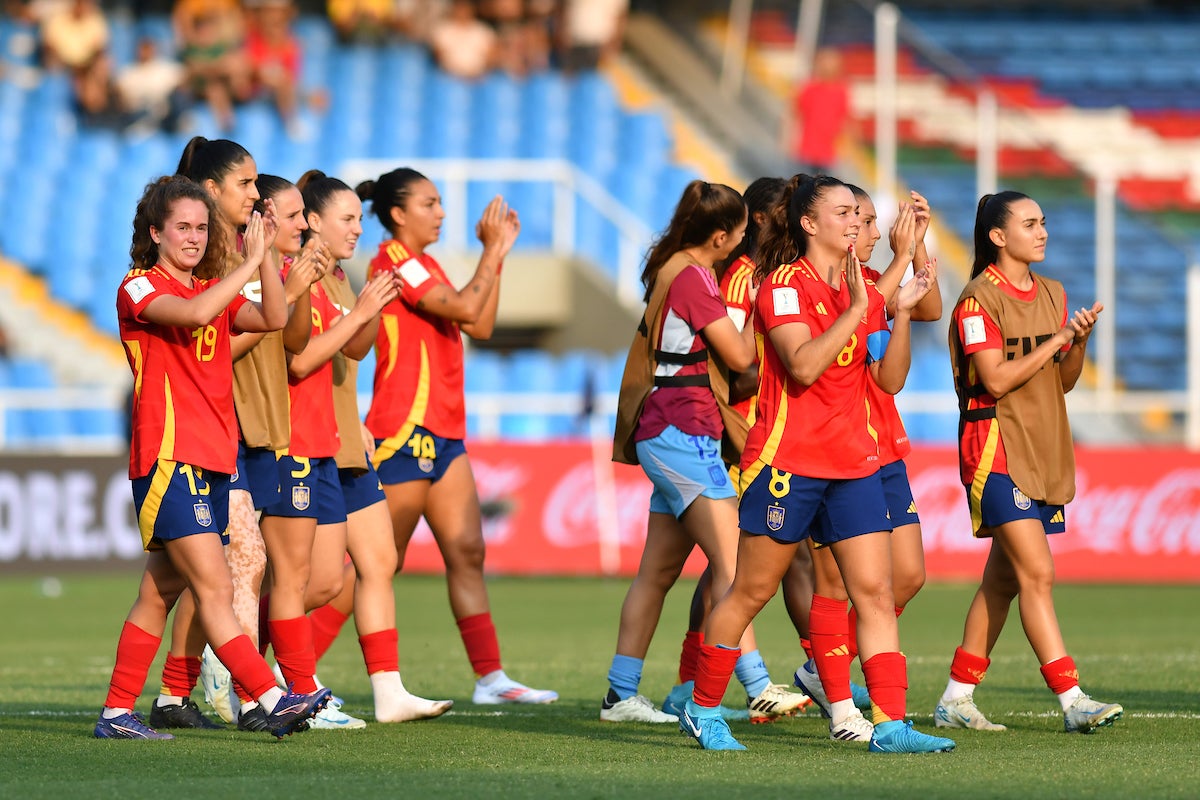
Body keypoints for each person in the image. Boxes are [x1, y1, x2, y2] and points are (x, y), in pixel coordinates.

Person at [678, 174, 952, 754]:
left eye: (860, 213)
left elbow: (890, 373)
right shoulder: (781, 285)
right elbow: (801, 365)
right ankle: (703, 709)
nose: (857, 222)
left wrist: (896, 304)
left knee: (875, 592)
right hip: (788, 462)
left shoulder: (863, 284)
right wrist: (861, 306)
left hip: (853, 462)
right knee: (751, 590)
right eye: (844, 212)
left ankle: (892, 725)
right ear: (809, 224)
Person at [96, 174, 329, 740]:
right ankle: (274, 698)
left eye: (201, 228)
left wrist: (266, 258)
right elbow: (198, 314)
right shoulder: (138, 287)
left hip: (210, 462)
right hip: (169, 458)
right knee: (216, 587)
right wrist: (250, 265)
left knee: (160, 593)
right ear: (155, 233)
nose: (195, 238)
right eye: (182, 227)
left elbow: (273, 320)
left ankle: (116, 713)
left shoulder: (210, 288)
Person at [606, 180, 806, 725]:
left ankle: (620, 694)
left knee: (657, 572)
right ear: (720, 237)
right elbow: (741, 355)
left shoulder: (674, 267)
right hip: (683, 428)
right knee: (735, 567)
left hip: (671, 427)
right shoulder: (696, 279)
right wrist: (761, 313)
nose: (743, 245)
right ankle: (758, 684)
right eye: (740, 235)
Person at [358, 167, 556, 705]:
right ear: (399, 214)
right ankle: (278, 672)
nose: (442, 212)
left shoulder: (425, 264)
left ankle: (491, 678)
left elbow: (481, 326)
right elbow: (469, 307)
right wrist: (491, 252)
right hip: (404, 431)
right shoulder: (395, 264)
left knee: (468, 550)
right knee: (373, 564)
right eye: (430, 203)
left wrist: (499, 256)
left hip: (444, 432)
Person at [935, 191, 1120, 734]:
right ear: (998, 236)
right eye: (1030, 223)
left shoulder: (1053, 293)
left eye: (1044, 222)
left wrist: (1077, 344)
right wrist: (1059, 338)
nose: (1042, 231)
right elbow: (993, 379)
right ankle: (1072, 699)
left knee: (1004, 581)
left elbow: (1059, 380)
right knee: (1038, 571)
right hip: (995, 447)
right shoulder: (976, 301)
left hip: (1042, 444)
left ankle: (956, 696)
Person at [295, 169, 454, 723]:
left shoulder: (338, 276)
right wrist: (363, 313)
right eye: (348, 219)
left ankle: (388, 692)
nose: (358, 228)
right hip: (310, 443)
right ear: (312, 222)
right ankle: (256, 668)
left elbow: (355, 353)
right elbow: (300, 358)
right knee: (319, 584)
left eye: (360, 219)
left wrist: (370, 306)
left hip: (348, 442)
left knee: (380, 560)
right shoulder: (298, 277)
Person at [789, 186, 941, 743]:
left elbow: (928, 307)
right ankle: (843, 705)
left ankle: (824, 667)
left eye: (873, 221)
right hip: (836, 452)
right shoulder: (837, 286)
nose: (869, 230)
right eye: (860, 218)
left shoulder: (874, 279)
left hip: (883, 448)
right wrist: (902, 262)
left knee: (907, 577)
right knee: (835, 583)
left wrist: (918, 246)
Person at [788, 48, 850, 175]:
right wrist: (790, 140)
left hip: (828, 154)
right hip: (806, 151)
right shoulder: (809, 88)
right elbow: (795, 114)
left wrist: (844, 148)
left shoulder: (841, 92)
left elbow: (844, 121)